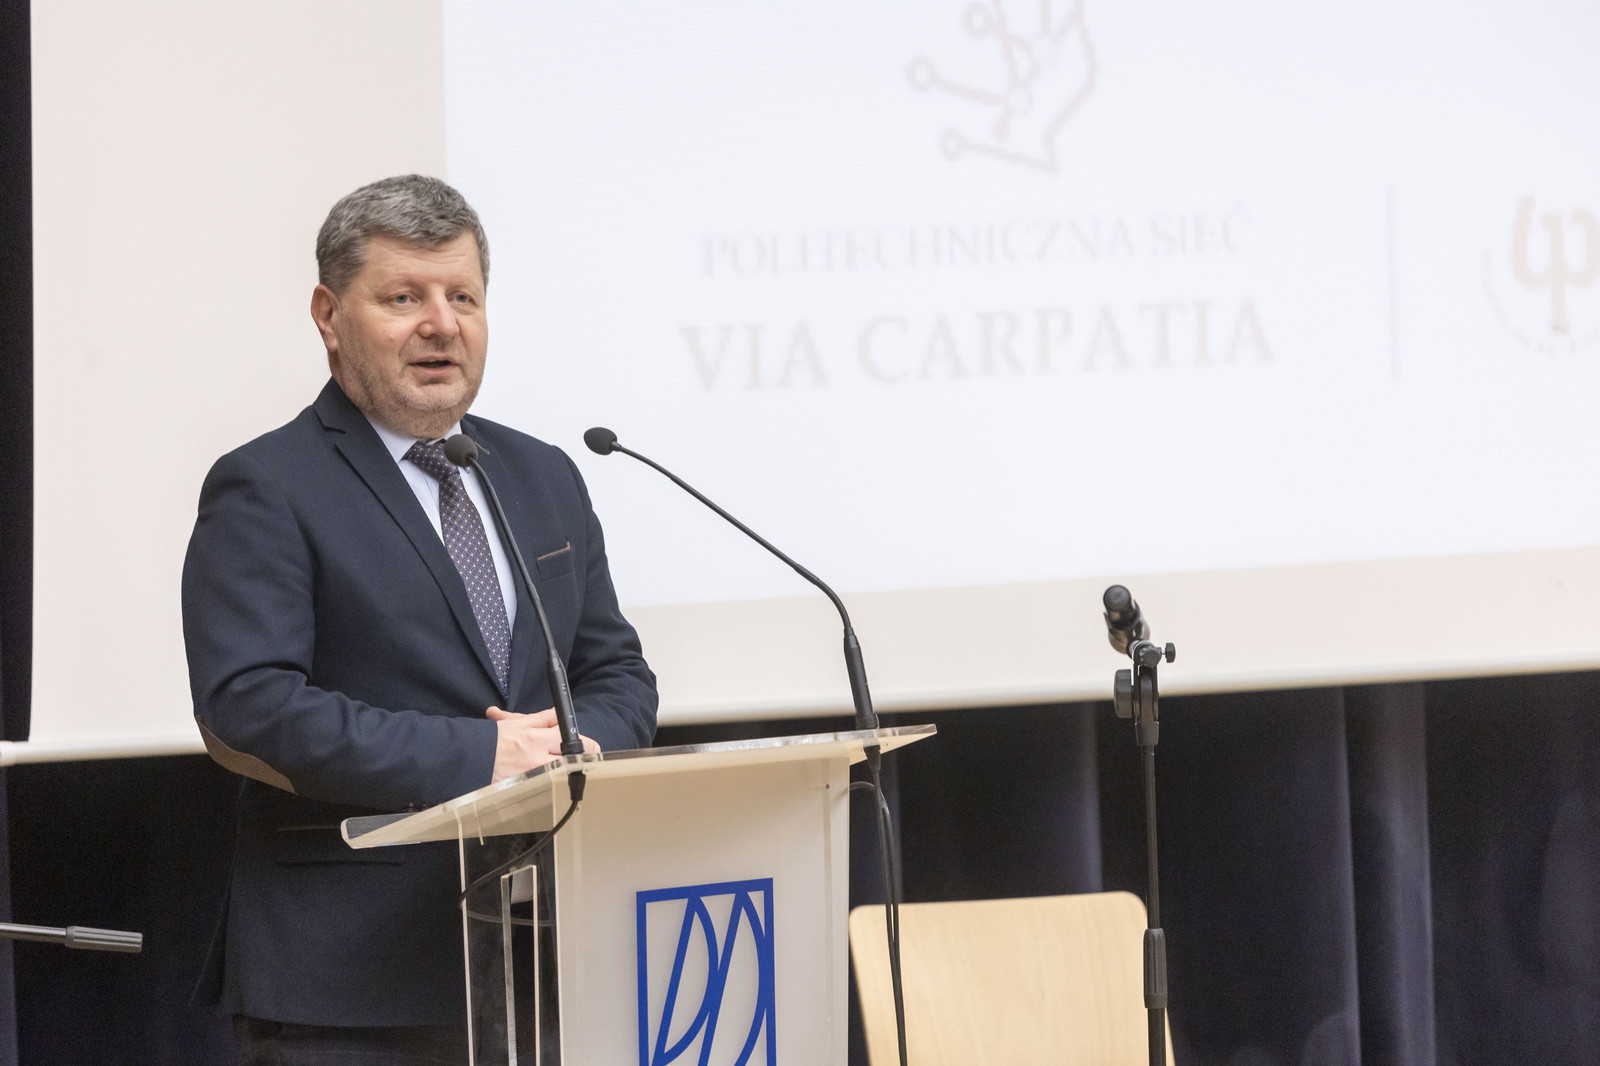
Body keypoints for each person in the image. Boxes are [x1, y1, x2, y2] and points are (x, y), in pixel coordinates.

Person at [181, 174, 658, 1062]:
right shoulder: (268, 485)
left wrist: (581, 745)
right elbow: (249, 705)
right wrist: (484, 757)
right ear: (329, 316)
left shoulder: (543, 474)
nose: (442, 325)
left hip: (546, 963)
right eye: (404, 298)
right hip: (352, 982)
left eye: (462, 297)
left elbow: (616, 671)